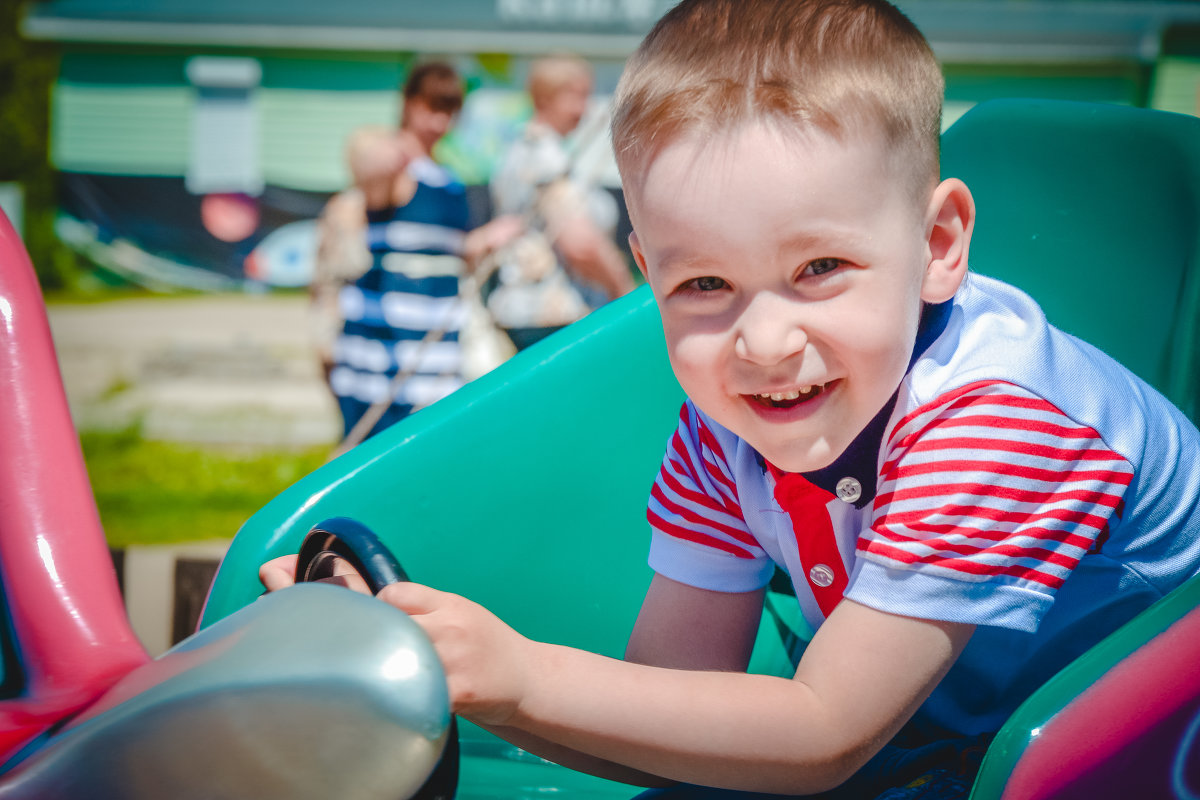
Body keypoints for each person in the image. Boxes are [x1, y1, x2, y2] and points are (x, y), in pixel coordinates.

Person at [264, 1, 1200, 797]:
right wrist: (431, 666)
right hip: (942, 741)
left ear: (940, 242)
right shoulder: (727, 426)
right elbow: (668, 703)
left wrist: (513, 674)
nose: (762, 343)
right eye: (704, 285)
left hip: (1138, 747)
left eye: (819, 267)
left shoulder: (999, 421)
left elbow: (823, 733)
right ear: (646, 274)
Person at [315, 62, 520, 446]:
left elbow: (449, 251)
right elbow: (365, 163)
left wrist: (490, 237)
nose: (440, 121)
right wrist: (385, 152)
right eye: (432, 107)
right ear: (409, 104)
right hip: (385, 348)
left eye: (449, 110)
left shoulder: (448, 177)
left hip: (437, 340)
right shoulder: (395, 167)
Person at [485, 54, 636, 350]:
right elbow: (579, 243)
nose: (583, 108)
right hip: (556, 315)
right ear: (544, 97)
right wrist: (624, 291)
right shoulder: (546, 156)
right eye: (574, 96)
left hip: (526, 313)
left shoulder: (518, 150)